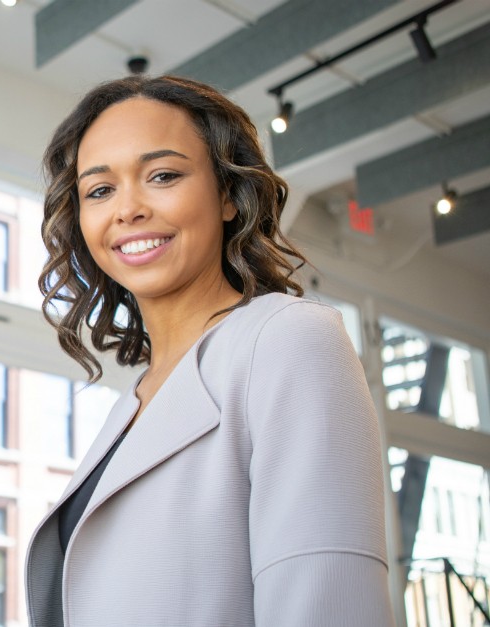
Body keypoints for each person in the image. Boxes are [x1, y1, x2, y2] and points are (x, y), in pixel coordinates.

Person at [25, 75, 393, 626]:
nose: (127, 209)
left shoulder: (289, 340)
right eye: (100, 190)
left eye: (163, 175)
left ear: (228, 194)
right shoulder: (137, 398)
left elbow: (328, 605)